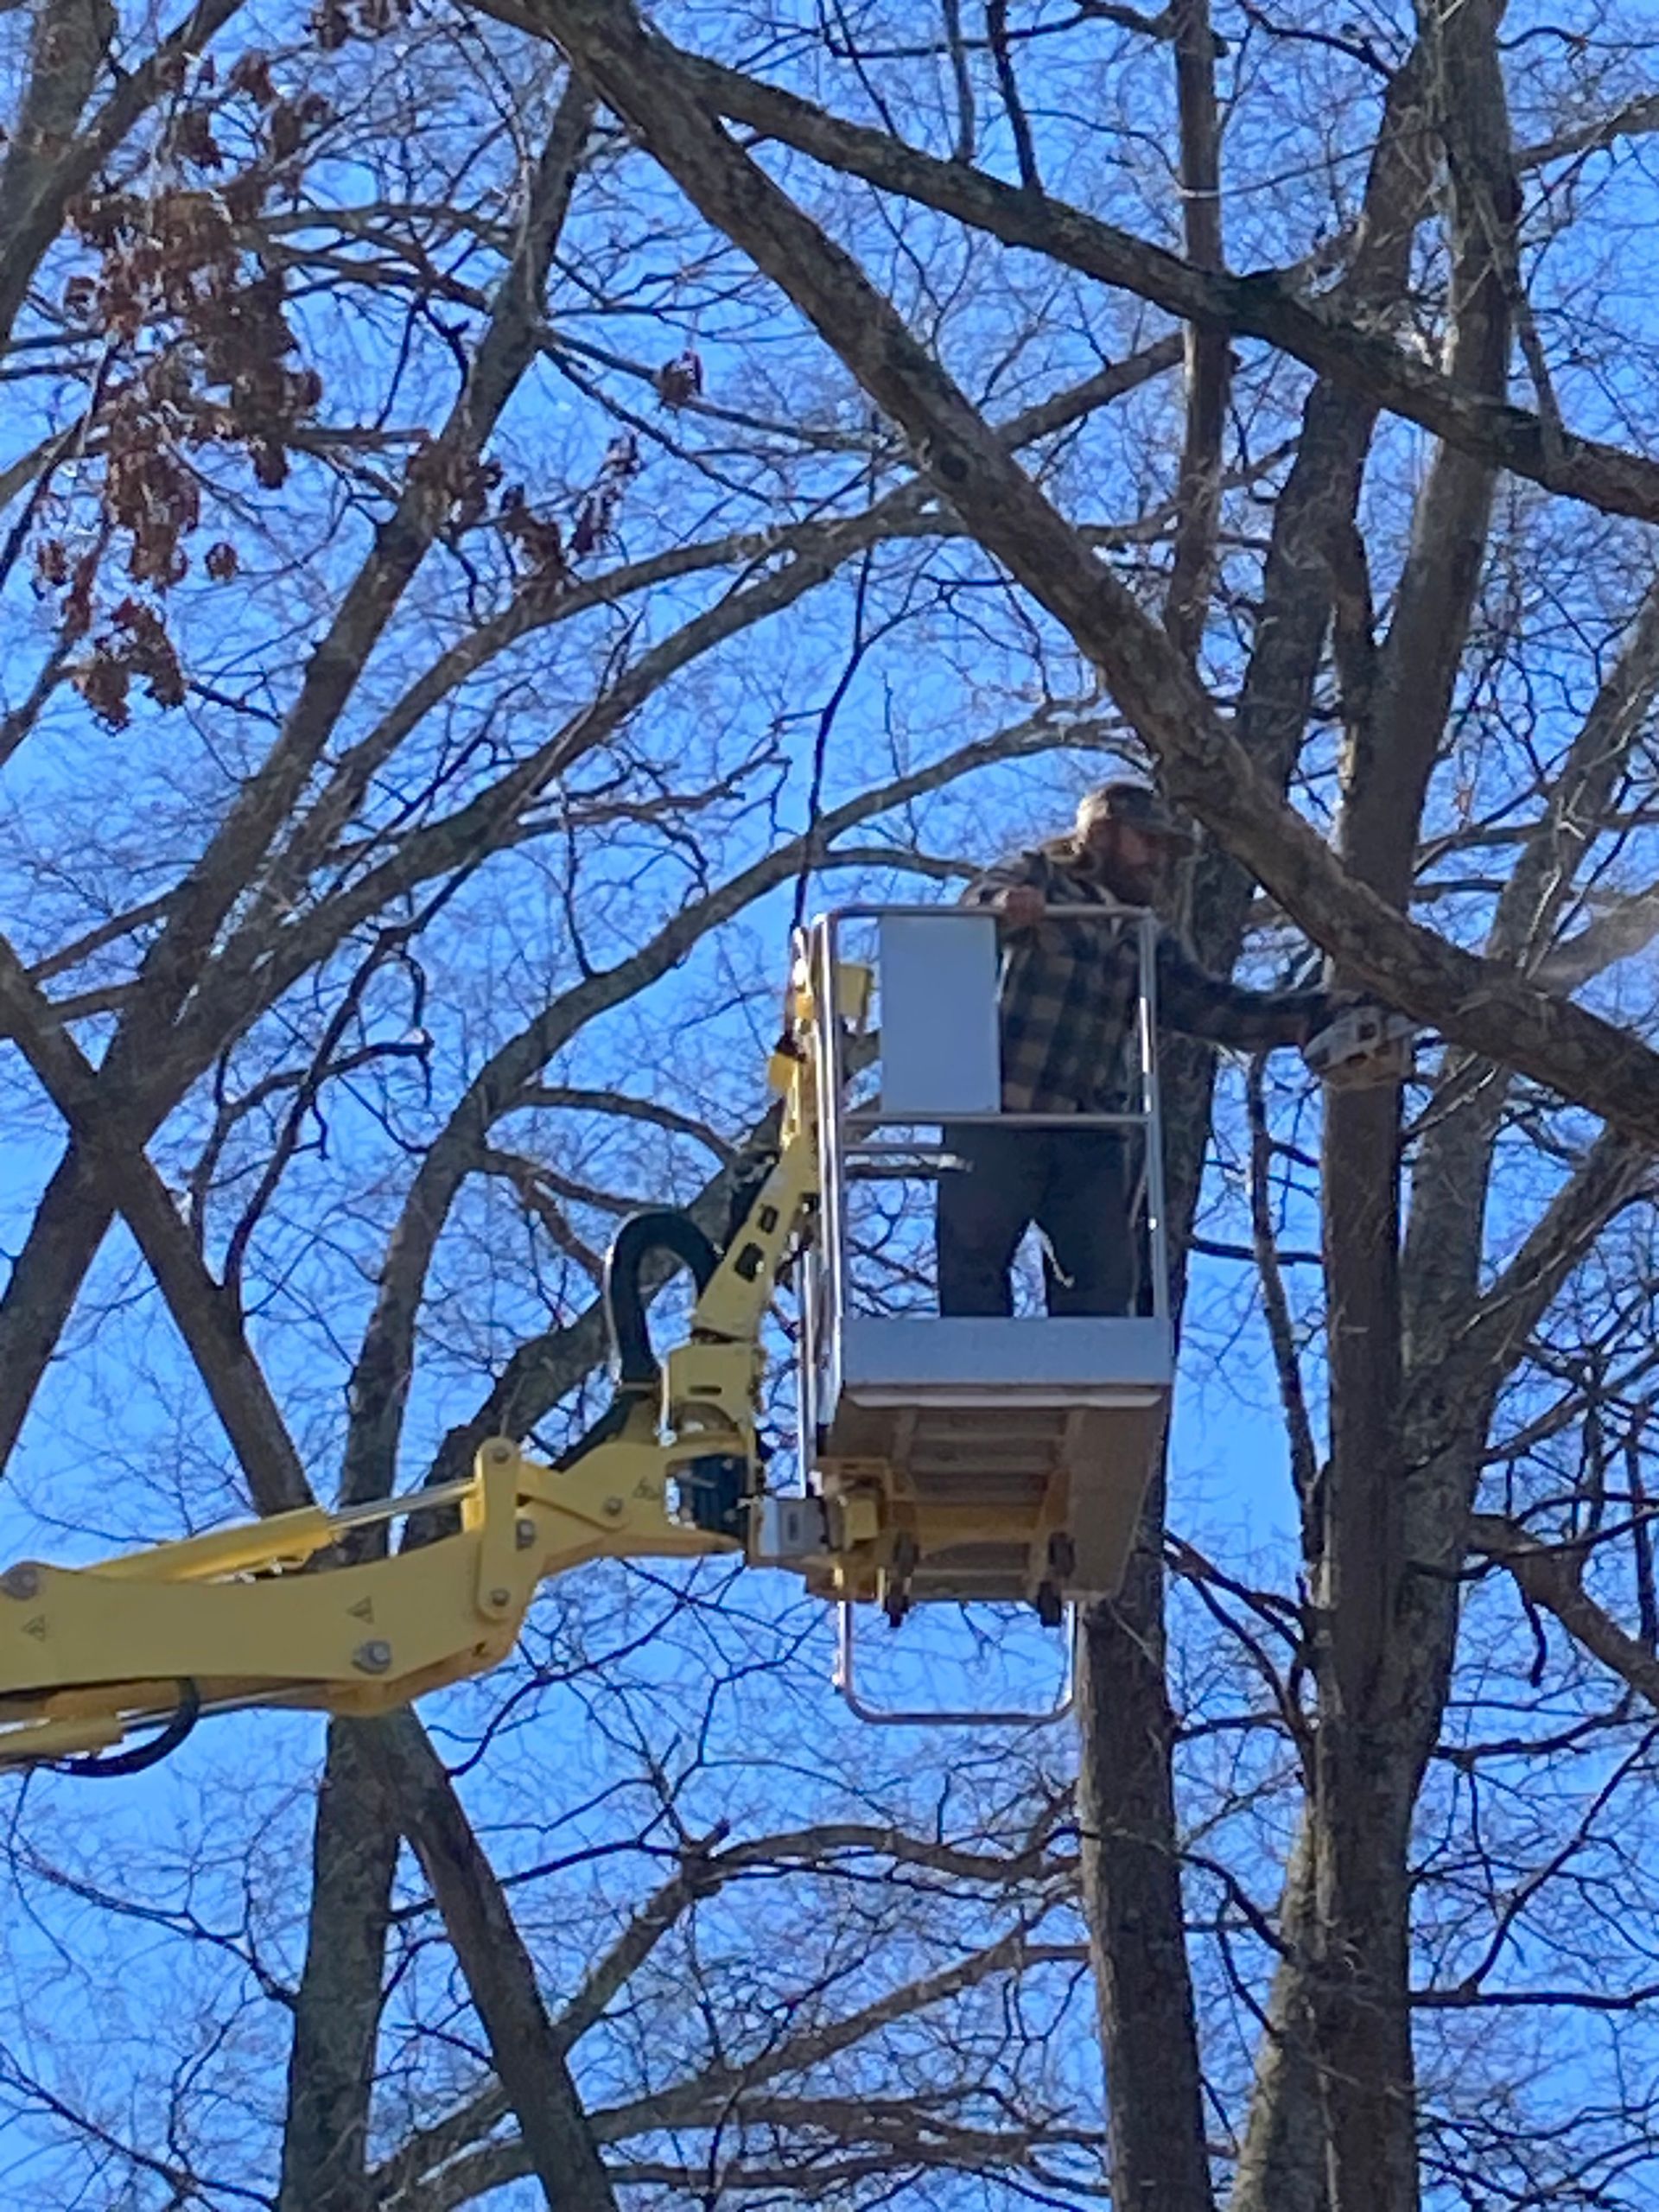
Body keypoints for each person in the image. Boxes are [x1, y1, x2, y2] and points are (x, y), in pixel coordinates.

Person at [936, 781, 1343, 1319]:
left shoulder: (1141, 935)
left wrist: (1303, 1016)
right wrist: (1006, 906)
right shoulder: (1040, 875)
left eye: (1165, 850)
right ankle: (976, 1384)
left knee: (1102, 1279)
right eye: (1148, 843)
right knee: (974, 1258)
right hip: (998, 1110)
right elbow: (978, 902)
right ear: (1101, 835)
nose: (1159, 861)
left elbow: (1214, 1007)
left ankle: (1077, 1390)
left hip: (1087, 1130)